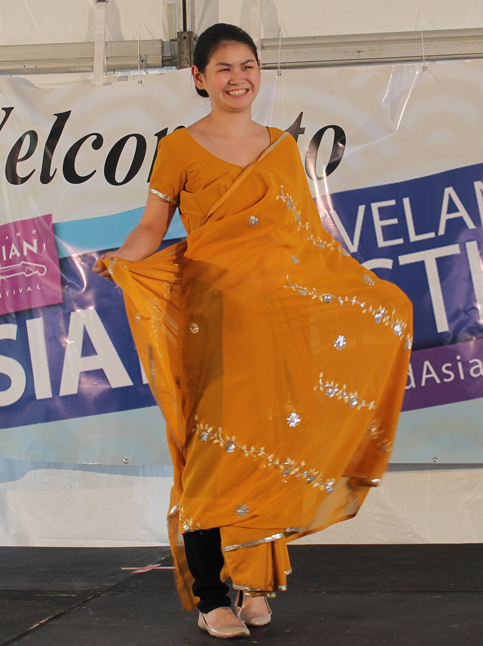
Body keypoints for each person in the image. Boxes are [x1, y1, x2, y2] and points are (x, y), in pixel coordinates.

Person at [93, 22, 412, 639]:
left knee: (278, 443)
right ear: (198, 78)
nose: (238, 78)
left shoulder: (282, 148)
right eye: (223, 69)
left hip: (282, 323)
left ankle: (255, 582)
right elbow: (151, 227)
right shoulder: (180, 147)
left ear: (259, 71)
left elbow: (308, 242)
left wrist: (359, 292)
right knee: (213, 452)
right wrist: (125, 263)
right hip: (217, 322)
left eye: (248, 66)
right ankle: (213, 595)